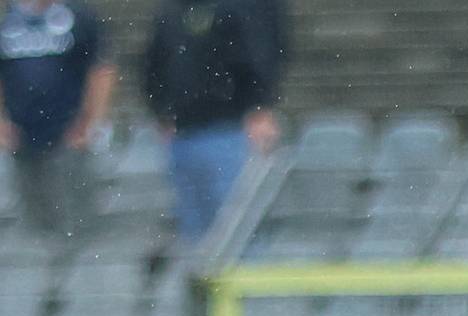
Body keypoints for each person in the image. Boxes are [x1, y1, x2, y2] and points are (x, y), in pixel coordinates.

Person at [140, 0, 285, 246]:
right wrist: (160, 112)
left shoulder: (232, 11)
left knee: (234, 224)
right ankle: (204, 281)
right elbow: (153, 66)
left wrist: (258, 107)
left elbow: (250, 59)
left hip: (226, 129)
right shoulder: (171, 13)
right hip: (182, 135)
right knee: (194, 229)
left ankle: (242, 281)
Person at [0, 0, 114, 237]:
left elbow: (101, 70)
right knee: (34, 226)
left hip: (69, 138)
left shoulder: (79, 17)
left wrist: (92, 122)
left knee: (77, 224)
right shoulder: (8, 20)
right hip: (22, 141)